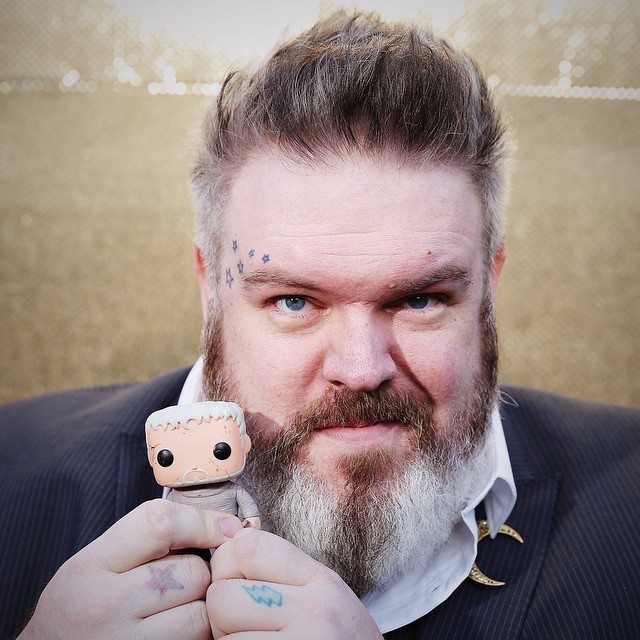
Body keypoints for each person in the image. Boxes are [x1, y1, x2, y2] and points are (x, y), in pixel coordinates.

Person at [1, 9, 638, 640]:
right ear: (210, 289)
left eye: (420, 300)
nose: (360, 370)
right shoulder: (11, 479)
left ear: (489, 287)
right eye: (294, 302)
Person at [146, 401, 261, 529]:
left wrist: (251, 518)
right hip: (187, 536)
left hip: (230, 533)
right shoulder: (175, 496)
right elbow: (165, 516)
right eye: (166, 458)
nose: (195, 466)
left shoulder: (232, 491)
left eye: (221, 451)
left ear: (245, 444)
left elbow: (249, 509)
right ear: (151, 458)